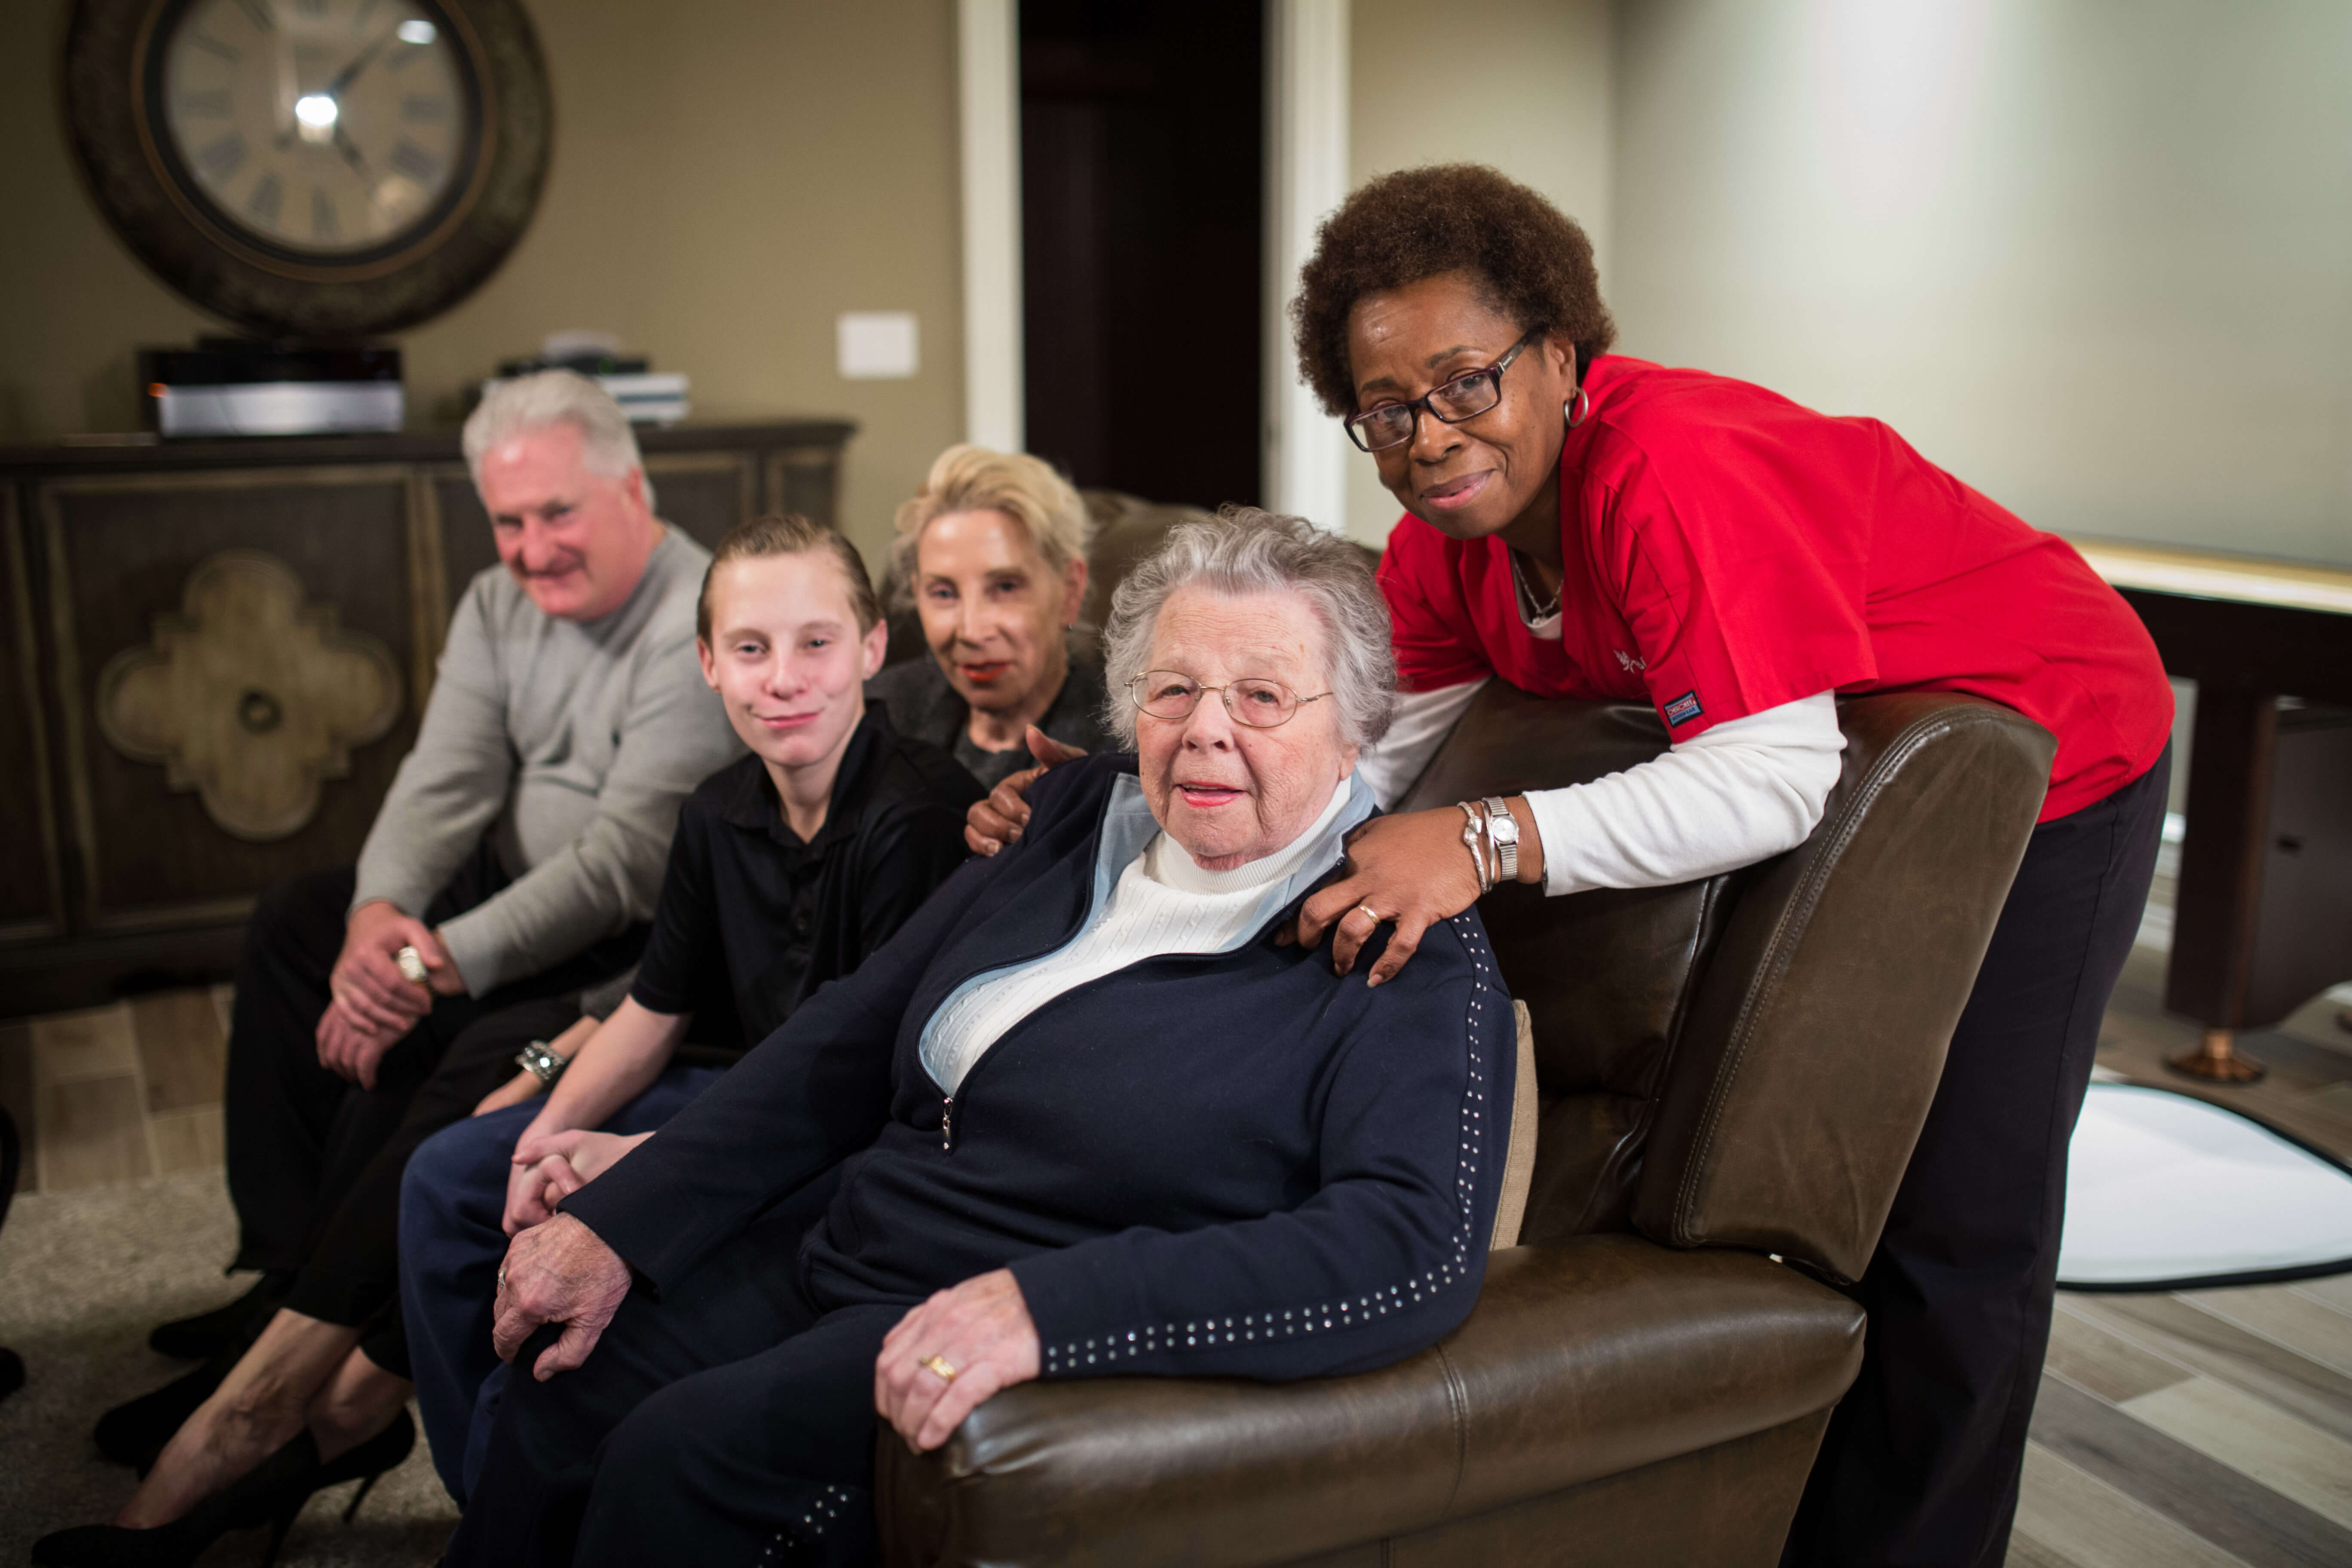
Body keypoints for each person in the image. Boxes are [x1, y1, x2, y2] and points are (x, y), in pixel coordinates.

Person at [968, 165, 2174, 1568]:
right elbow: (1366, 763)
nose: (1429, 434)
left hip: (2053, 740)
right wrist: (1136, 803)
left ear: (1559, 353)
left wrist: (1483, 842)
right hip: (1854, 751)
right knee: (1850, 1202)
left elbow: (1768, 778)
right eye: (1387, 409)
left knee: (1956, 1214)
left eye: (1467, 380)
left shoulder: (1673, 472)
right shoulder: (1441, 554)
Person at [439, 510, 1511, 1567]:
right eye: (1172, 688)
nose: (1206, 729)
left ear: (1356, 723)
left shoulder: (1400, 943)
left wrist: (1048, 1311)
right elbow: (852, 1033)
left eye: (1264, 696)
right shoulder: (1075, 813)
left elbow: (1405, 1246)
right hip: (849, 1238)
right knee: (560, 1385)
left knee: (677, 1466)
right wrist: (624, 1222)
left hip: (1006, 1300)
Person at [37, 371, 742, 1567]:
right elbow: (442, 779)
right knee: (298, 923)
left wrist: (433, 967)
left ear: (634, 488)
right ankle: (277, 1269)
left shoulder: (697, 613)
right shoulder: (493, 601)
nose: (530, 549)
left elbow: (625, 865)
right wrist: (380, 925)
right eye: (509, 522)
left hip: (619, 937)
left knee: (457, 1065)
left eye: (557, 515)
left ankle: (284, 1376)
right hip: (494, 898)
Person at [397, 512, 983, 1505]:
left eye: (816, 645)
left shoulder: (917, 816)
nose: (783, 679)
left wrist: (645, 1159)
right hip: (735, 1091)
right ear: (708, 662)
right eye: (750, 649)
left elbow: (862, 1087)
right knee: (449, 1176)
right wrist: (548, 1130)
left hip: (841, 1138)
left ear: (873, 650)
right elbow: (652, 1009)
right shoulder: (715, 810)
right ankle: (486, 1496)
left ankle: (529, 1491)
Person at [864, 444, 1112, 787]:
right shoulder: (875, 716)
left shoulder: (1123, 749)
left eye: (1006, 588)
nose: (971, 631)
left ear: (1070, 591)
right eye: (944, 593)